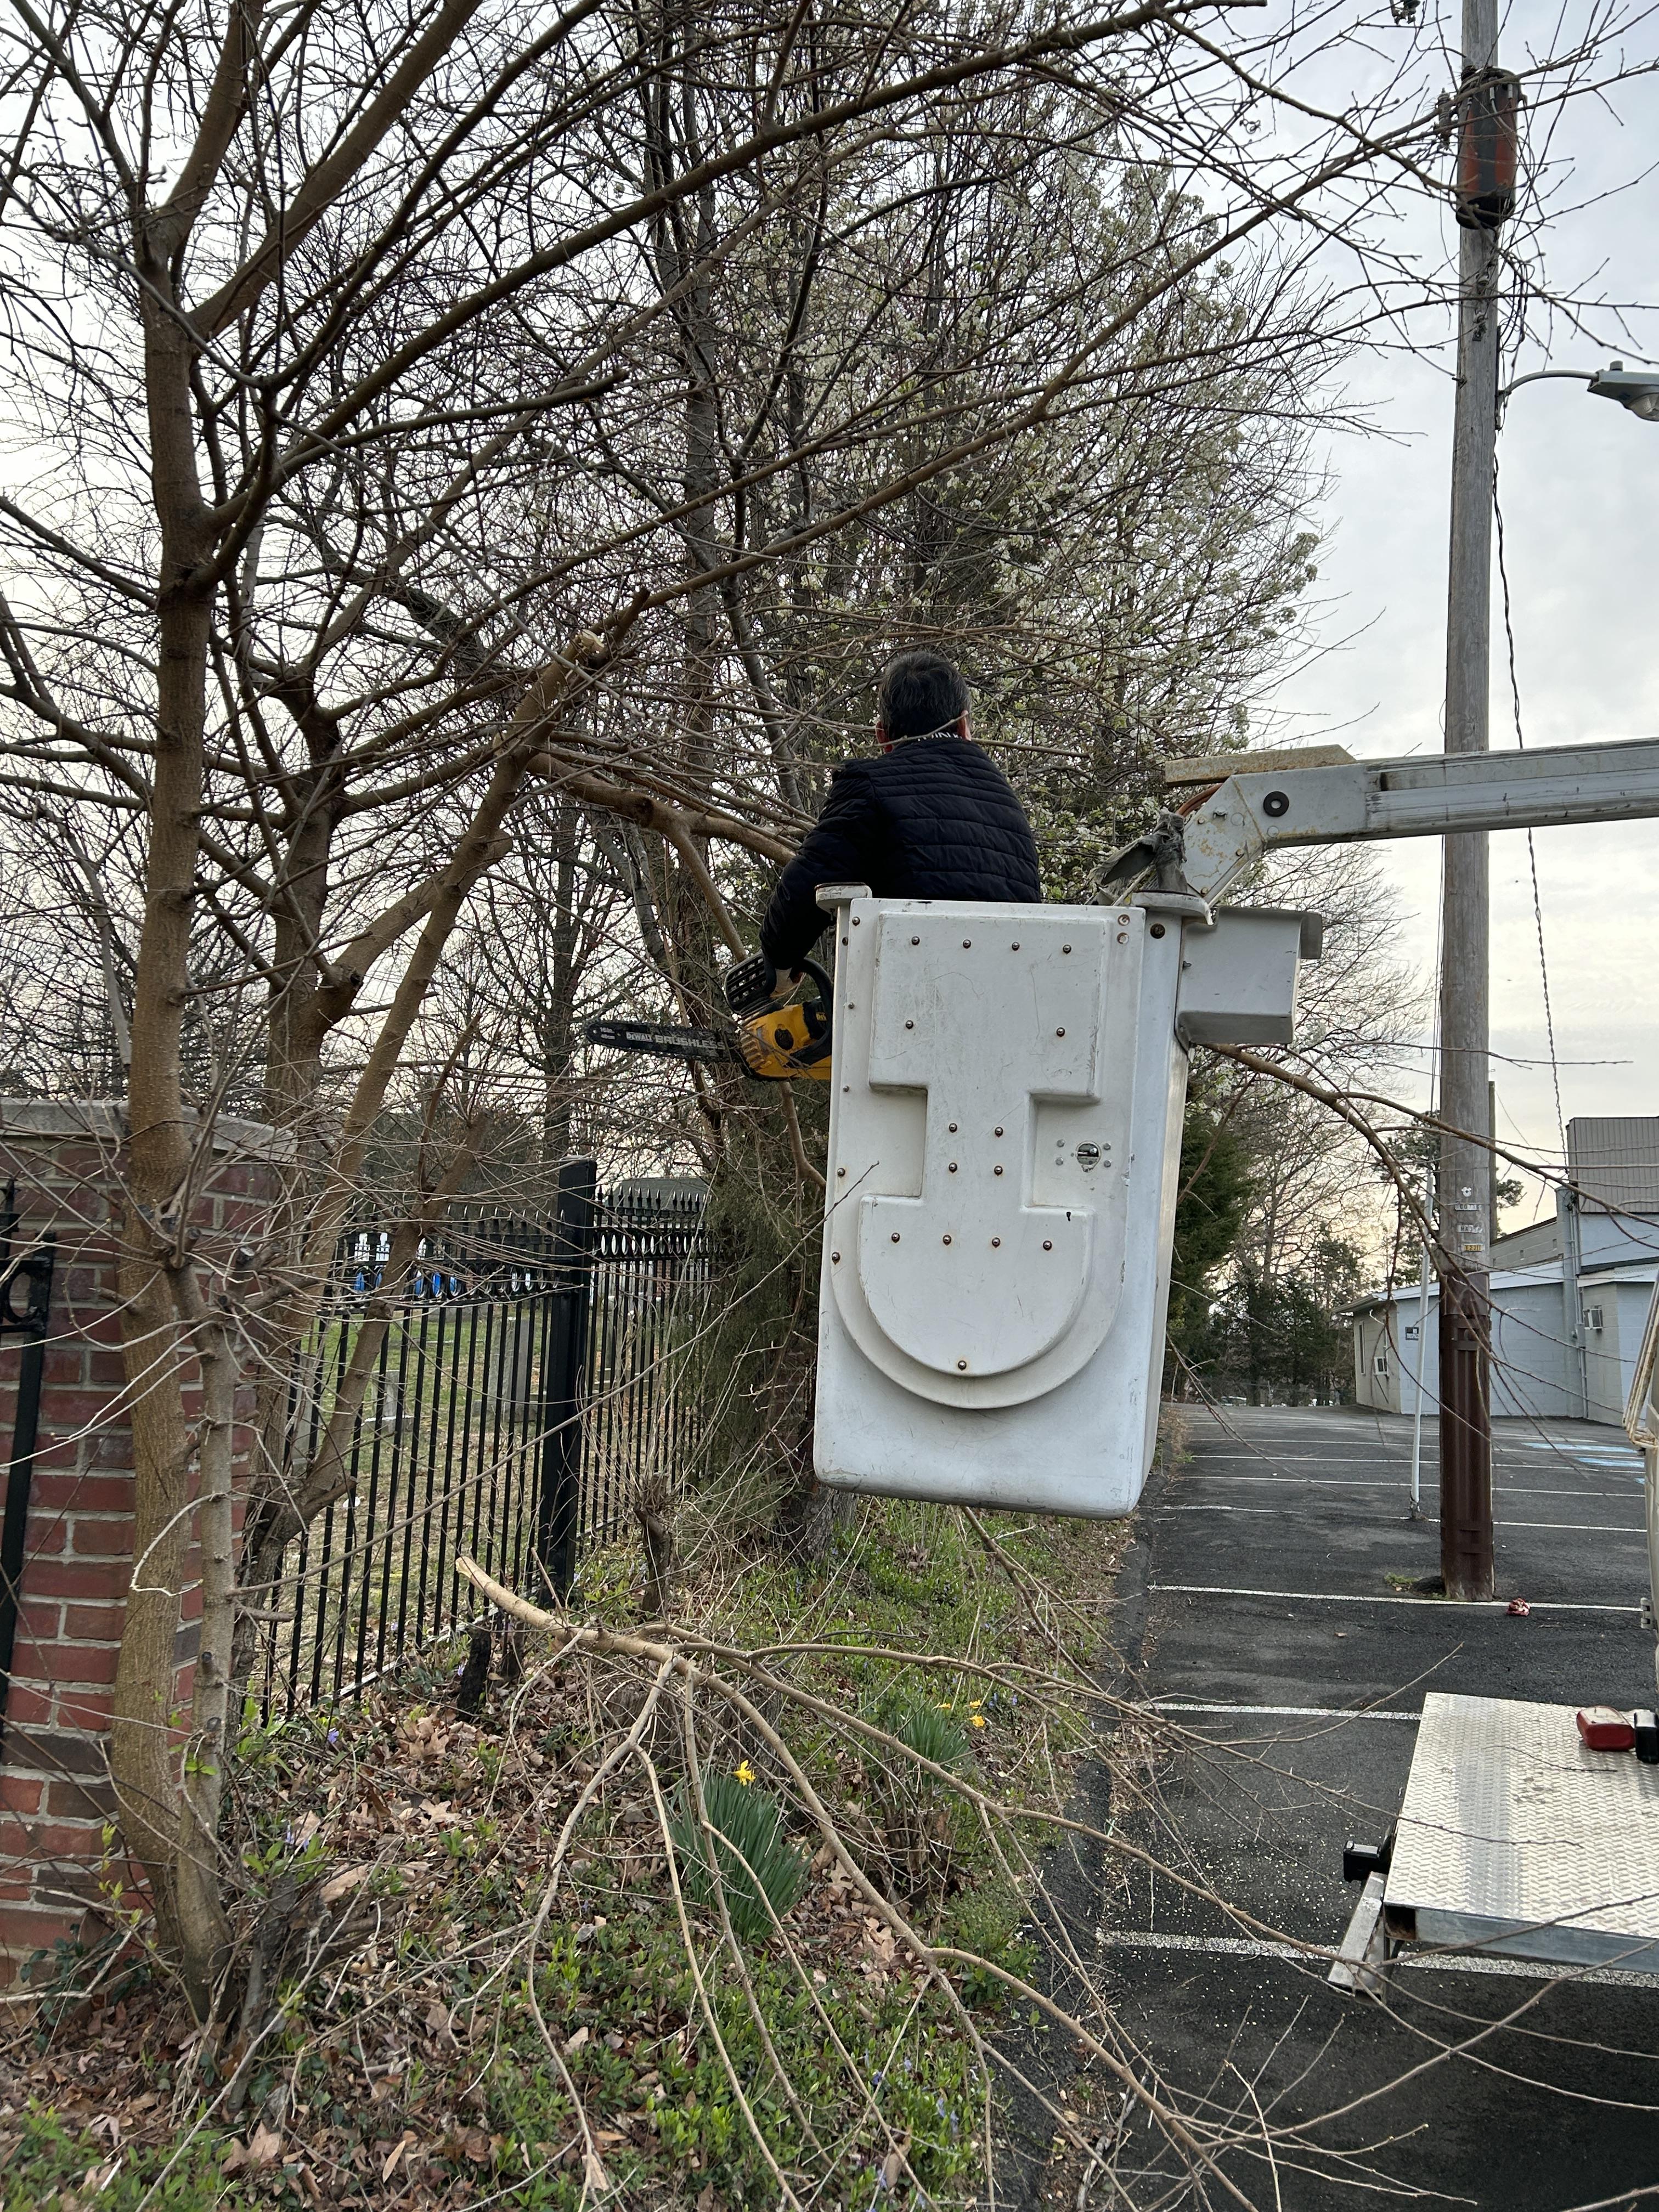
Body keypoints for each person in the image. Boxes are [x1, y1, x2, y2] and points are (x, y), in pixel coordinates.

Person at [758, 648, 1041, 978]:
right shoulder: (1007, 801)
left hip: (911, 986)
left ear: (883, 737)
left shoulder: (869, 785)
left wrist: (777, 961)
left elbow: (807, 888)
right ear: (964, 725)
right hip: (1012, 984)